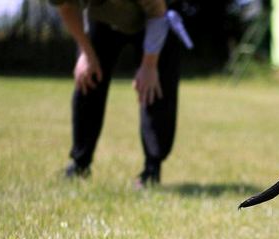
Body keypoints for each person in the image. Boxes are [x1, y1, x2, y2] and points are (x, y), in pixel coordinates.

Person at [52, 0, 182, 188]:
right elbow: (66, 6)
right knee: (87, 77)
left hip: (154, 18)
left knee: (154, 87)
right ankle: (80, 164)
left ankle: (152, 169)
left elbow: (157, 12)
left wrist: (149, 65)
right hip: (102, 20)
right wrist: (86, 53)